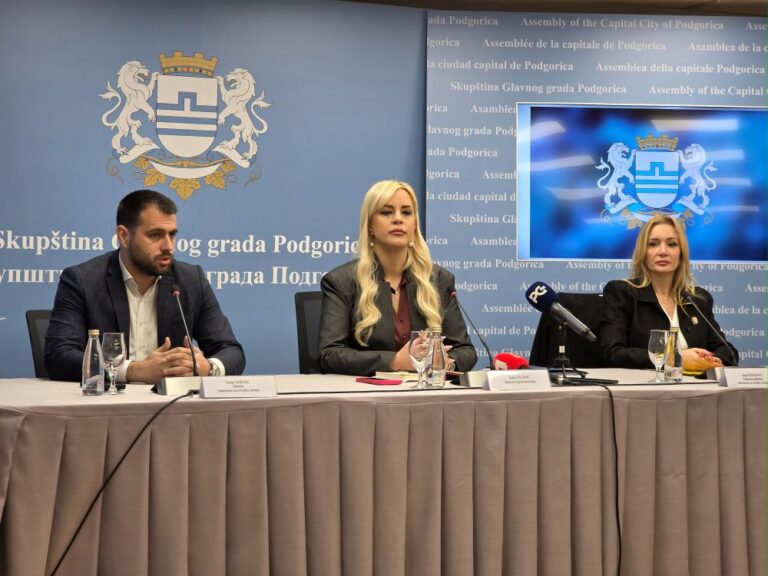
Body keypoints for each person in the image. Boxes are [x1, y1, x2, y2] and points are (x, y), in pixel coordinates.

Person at [44, 189, 245, 383]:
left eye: (172, 234)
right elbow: (59, 355)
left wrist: (208, 368)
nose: (168, 246)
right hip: (106, 401)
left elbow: (231, 350)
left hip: (170, 403)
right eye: (155, 235)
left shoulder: (191, 280)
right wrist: (133, 370)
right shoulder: (82, 280)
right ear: (123, 236)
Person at [319, 180, 477, 376]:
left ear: (414, 225)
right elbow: (330, 354)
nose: (398, 219)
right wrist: (395, 361)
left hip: (426, 390)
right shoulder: (341, 281)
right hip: (367, 391)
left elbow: (465, 350)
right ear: (370, 225)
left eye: (406, 212)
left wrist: (446, 363)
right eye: (386, 212)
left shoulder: (439, 280)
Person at [600, 213, 737, 371]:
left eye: (672, 244)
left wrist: (711, 361)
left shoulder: (697, 299)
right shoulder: (623, 293)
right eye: (653, 244)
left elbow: (728, 352)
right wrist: (675, 358)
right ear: (643, 252)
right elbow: (613, 354)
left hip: (698, 384)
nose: (663, 251)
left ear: (681, 254)